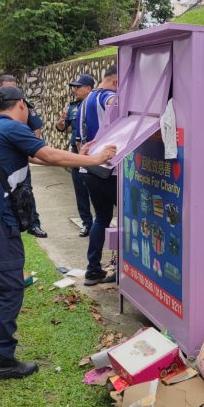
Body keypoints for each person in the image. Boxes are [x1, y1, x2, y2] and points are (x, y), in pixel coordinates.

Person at [0, 86, 116, 381]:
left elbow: (35, 158)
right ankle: (3, 359)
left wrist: (78, 155)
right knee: (9, 288)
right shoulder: (12, 127)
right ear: (21, 104)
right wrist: (95, 160)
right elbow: (48, 154)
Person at [76, 66, 118, 286]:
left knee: (101, 218)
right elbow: (113, 102)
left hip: (90, 167)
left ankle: (93, 270)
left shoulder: (87, 99)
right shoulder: (107, 95)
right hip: (109, 169)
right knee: (129, 217)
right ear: (116, 82)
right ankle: (124, 267)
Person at [0, 74, 47, 238]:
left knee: (25, 190)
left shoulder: (25, 105)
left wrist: (32, 146)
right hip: (1, 159)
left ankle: (32, 223)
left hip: (21, 156)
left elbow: (36, 126)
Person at [55, 73, 95, 237]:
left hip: (93, 153)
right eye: (74, 87)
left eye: (78, 87)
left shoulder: (96, 104)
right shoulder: (73, 106)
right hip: (75, 152)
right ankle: (86, 223)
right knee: (80, 189)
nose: (75, 90)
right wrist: (61, 122)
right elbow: (61, 128)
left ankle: (102, 223)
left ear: (88, 88)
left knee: (96, 189)